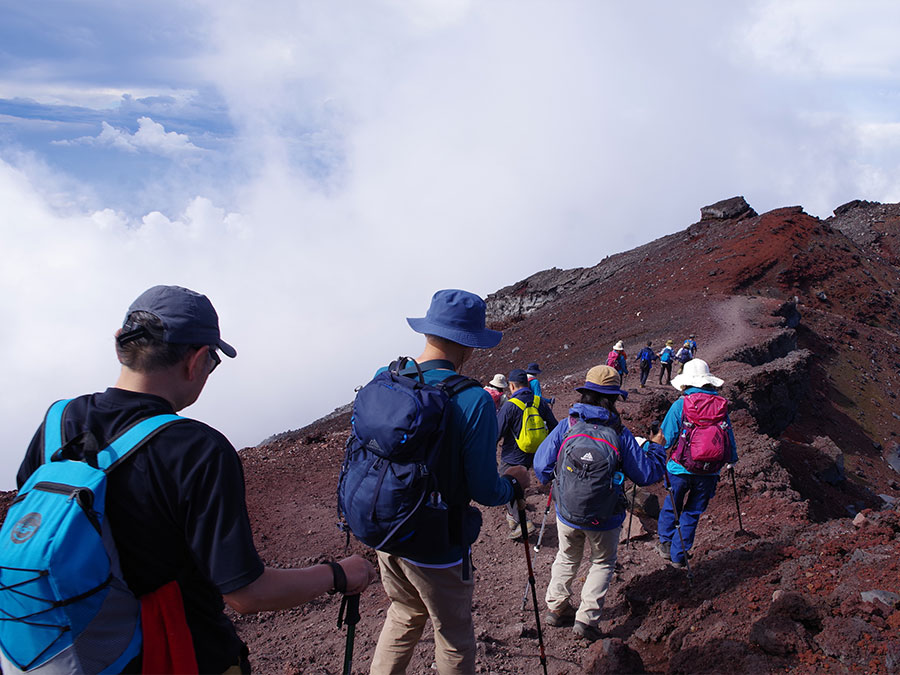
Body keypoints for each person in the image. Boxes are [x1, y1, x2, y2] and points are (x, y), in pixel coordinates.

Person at [15, 285, 376, 674]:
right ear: (197, 360)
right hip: (175, 655)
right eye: (213, 362)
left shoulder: (58, 422)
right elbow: (246, 593)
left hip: (57, 652)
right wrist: (339, 573)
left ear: (120, 344)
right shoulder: (197, 449)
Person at [370, 289, 530, 675]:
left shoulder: (386, 376)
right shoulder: (473, 399)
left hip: (384, 525)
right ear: (469, 345)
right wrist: (514, 484)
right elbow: (484, 489)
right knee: (454, 635)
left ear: (428, 332)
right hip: (435, 541)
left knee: (405, 612)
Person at [534, 366, 666, 642]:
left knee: (567, 555)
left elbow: (540, 466)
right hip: (604, 516)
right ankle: (586, 619)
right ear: (614, 399)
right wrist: (655, 447)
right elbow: (646, 475)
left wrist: (556, 481)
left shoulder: (567, 425)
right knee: (602, 562)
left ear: (584, 393)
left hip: (567, 511)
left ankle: (556, 608)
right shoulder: (620, 433)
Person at [656, 359, 737, 569]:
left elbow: (668, 436)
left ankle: (665, 542)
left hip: (679, 468)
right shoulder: (720, 405)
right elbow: (728, 434)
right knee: (692, 512)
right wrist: (731, 459)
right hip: (709, 471)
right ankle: (678, 554)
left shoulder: (682, 403)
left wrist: (653, 453)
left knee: (673, 504)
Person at [496, 369, 558, 538]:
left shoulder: (510, 405)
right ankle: (513, 517)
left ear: (512, 385)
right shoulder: (539, 402)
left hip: (512, 455)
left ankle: (523, 523)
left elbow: (497, 432)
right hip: (533, 454)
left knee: (505, 483)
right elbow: (554, 427)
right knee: (519, 483)